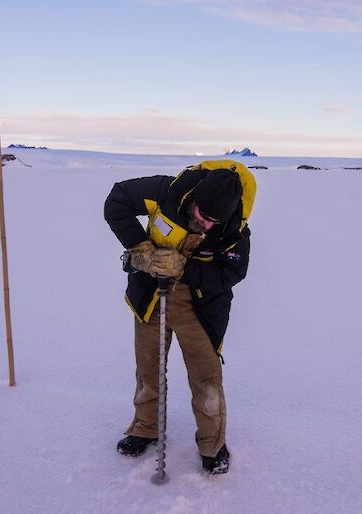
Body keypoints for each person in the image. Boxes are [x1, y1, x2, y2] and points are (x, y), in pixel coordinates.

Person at [104, 160, 256, 474]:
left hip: (200, 310)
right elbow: (116, 200)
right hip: (150, 299)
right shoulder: (166, 192)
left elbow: (232, 273)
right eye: (203, 215)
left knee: (206, 381)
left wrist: (183, 269)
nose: (208, 224)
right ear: (195, 199)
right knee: (148, 371)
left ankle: (212, 444)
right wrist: (141, 248)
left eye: (216, 220)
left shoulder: (235, 229)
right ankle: (145, 427)